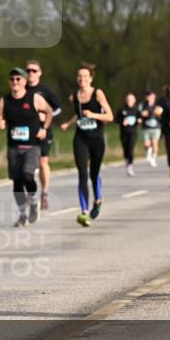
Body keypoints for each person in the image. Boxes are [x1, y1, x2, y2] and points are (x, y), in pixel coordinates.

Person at [0, 68, 53, 227]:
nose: (15, 82)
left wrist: (44, 129)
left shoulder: (34, 98)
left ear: (25, 81)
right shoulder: (4, 101)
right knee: (17, 183)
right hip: (13, 147)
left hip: (31, 146)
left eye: (18, 79)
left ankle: (34, 202)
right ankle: (22, 215)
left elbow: (49, 112)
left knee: (28, 175)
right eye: (12, 79)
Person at [59, 63, 113, 227]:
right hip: (81, 138)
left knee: (93, 173)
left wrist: (95, 115)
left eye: (85, 76)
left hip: (96, 139)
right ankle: (83, 211)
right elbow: (79, 115)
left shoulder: (98, 93)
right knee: (82, 173)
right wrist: (68, 123)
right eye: (79, 76)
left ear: (90, 78)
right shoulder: (74, 97)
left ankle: (97, 200)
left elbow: (109, 116)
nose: (82, 79)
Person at [25, 60, 62, 211]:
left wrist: (44, 116)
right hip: (27, 131)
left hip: (43, 130)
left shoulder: (45, 90)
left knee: (42, 162)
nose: (31, 73)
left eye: (34, 71)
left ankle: (44, 193)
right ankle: (30, 193)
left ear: (39, 73)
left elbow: (58, 108)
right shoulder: (22, 89)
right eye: (28, 70)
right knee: (27, 164)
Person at [137, 90, 163, 168]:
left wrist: (158, 113)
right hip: (146, 127)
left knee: (155, 143)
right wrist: (141, 116)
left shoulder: (157, 105)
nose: (149, 97)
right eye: (148, 96)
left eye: (151, 96)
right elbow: (139, 113)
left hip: (156, 127)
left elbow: (161, 113)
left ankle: (153, 158)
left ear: (154, 96)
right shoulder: (142, 104)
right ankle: (148, 152)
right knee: (146, 144)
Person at [118, 92, 139, 176]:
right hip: (124, 133)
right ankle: (127, 159)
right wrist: (122, 121)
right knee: (125, 149)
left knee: (131, 149)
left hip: (133, 133)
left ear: (134, 101)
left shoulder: (136, 109)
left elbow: (140, 117)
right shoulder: (122, 109)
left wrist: (139, 120)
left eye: (131, 99)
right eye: (128, 99)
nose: (129, 101)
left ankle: (130, 166)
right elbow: (116, 119)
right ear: (126, 100)